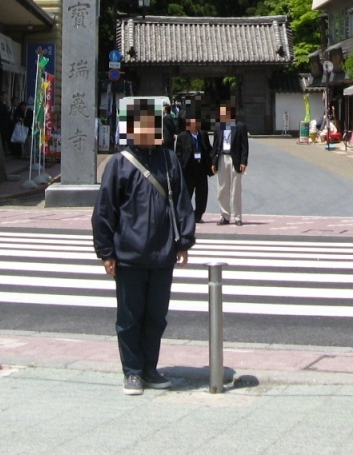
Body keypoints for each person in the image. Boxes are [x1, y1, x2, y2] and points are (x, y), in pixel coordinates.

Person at [92, 98, 195, 396]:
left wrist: (183, 241)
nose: (147, 131)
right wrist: (106, 252)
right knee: (129, 317)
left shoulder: (168, 160)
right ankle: (132, 371)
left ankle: (150, 368)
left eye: (152, 125)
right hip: (128, 255)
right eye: (141, 125)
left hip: (163, 254)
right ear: (132, 129)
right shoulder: (119, 164)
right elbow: (104, 210)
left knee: (156, 317)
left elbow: (181, 203)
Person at [211, 103, 249, 225]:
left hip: (234, 160)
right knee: (222, 189)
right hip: (222, 158)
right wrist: (213, 162)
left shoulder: (240, 126)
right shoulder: (219, 128)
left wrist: (243, 162)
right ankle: (225, 216)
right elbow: (215, 145)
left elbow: (244, 146)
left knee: (236, 190)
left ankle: (237, 217)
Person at [174, 116, 211, 223]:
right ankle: (185, 215)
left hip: (201, 169)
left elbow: (209, 149)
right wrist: (180, 167)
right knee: (187, 194)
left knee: (202, 195)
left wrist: (212, 162)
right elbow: (178, 154)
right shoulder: (182, 137)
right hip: (188, 170)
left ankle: (198, 215)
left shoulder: (203, 135)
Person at [0, 92, 14, 156]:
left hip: (6, 125)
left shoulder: (5, 104)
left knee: (6, 138)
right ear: (1, 97)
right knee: (2, 138)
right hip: (1, 125)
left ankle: (6, 150)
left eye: (7, 96)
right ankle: (2, 151)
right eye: (4, 96)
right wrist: (7, 111)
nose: (6, 97)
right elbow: (1, 113)